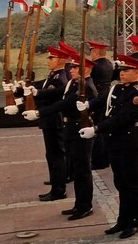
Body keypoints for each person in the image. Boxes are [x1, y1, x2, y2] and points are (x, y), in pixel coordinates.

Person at [78, 54, 138, 239]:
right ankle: (123, 219)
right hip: (115, 140)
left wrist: (96, 128)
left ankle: (134, 221)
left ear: (137, 72)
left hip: (129, 141)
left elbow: (122, 118)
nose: (122, 73)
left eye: (126, 70)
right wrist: (88, 104)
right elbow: (104, 101)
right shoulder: (117, 88)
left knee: (132, 183)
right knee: (120, 182)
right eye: (122, 70)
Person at [23, 53, 98, 221]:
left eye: (75, 67)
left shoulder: (85, 86)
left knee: (82, 170)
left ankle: (85, 206)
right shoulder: (76, 83)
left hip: (80, 129)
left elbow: (64, 103)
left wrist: (39, 113)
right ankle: (79, 204)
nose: (71, 70)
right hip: (71, 128)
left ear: (85, 69)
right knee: (78, 170)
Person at [4, 46, 69, 201]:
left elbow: (51, 93)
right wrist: (17, 90)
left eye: (51, 58)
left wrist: (35, 93)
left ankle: (59, 189)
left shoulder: (61, 77)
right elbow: (39, 86)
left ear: (60, 60)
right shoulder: (53, 75)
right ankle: (56, 184)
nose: (48, 61)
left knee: (56, 155)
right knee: (51, 155)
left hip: (54, 120)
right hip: (49, 120)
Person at [88, 40, 113, 170]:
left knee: (97, 129)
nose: (90, 53)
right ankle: (105, 158)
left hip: (97, 98)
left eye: (91, 51)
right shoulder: (108, 63)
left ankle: (99, 160)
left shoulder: (95, 66)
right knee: (103, 129)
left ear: (96, 51)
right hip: (106, 97)